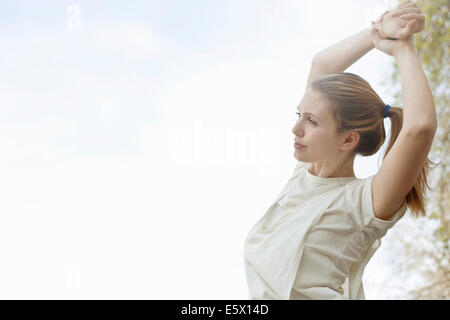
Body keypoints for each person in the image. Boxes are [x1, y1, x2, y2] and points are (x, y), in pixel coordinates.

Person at [244, 0, 438, 300]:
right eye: (299, 115)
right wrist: (376, 34)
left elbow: (420, 128)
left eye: (311, 121)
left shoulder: (363, 202)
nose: (296, 129)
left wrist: (402, 49)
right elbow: (322, 65)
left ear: (347, 140)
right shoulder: (302, 178)